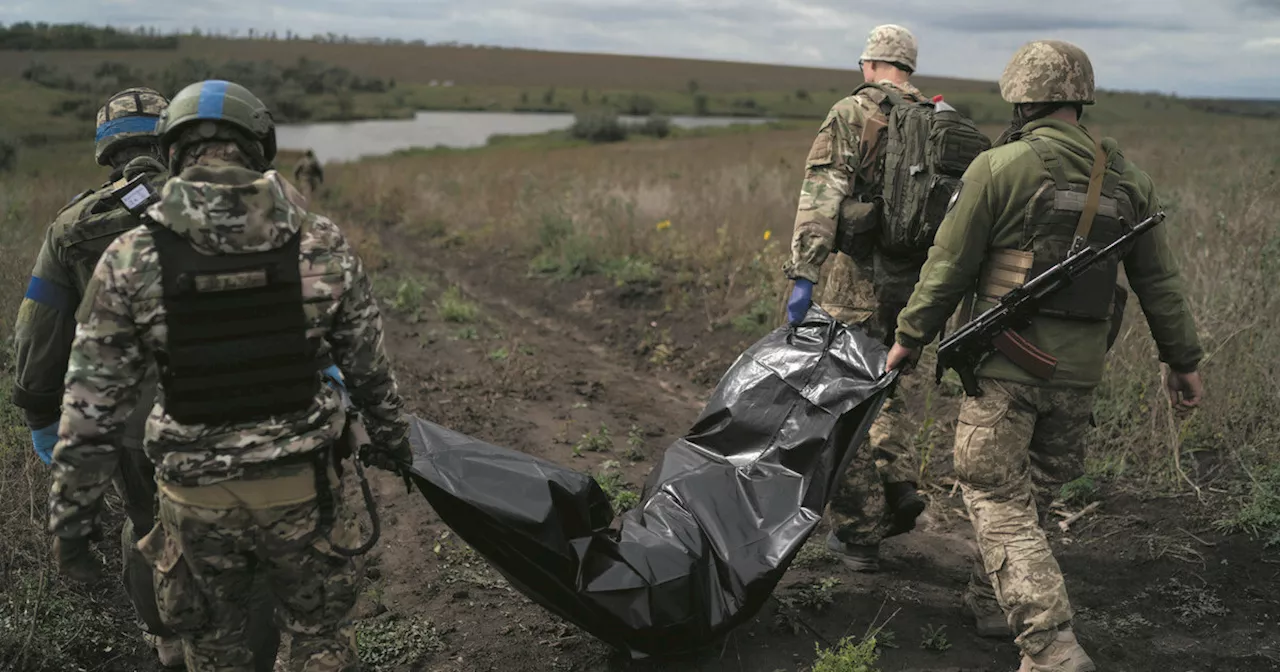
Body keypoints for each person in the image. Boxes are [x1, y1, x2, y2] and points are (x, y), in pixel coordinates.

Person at [47, 79, 412, 672]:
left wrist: (71, 528)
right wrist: (398, 447)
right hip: (304, 495)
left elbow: (90, 412)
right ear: (260, 146)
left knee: (215, 649)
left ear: (171, 153)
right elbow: (371, 376)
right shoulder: (321, 244)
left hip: (194, 507)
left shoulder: (132, 258)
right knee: (320, 641)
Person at [887, 40, 1204, 671]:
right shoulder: (1128, 178)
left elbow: (948, 267)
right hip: (1079, 377)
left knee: (992, 495)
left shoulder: (1000, 166)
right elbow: (1160, 285)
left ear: (1020, 96)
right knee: (1025, 497)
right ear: (1079, 98)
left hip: (1007, 369)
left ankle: (1049, 644)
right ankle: (987, 601)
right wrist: (1183, 362)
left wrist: (908, 338)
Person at [11, 86, 192, 667]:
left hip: (128, 421)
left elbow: (39, 331)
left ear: (105, 149)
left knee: (147, 524)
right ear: (170, 138)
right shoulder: (217, 203)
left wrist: (41, 412)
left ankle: (166, 640)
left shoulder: (72, 226)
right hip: (223, 405)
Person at [783, 23, 932, 572]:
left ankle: (859, 531)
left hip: (857, 284)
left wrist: (803, 275)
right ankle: (897, 483)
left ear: (868, 64)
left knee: (838, 399)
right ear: (909, 68)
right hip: (918, 288)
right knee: (888, 388)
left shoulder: (851, 112)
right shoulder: (938, 119)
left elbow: (822, 193)